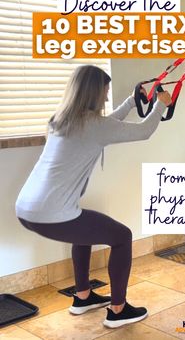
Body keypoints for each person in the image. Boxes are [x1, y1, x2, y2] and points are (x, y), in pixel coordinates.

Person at [15, 65, 172, 328]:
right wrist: (160, 105)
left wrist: (131, 102)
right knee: (122, 237)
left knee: (83, 231)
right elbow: (143, 131)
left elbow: (106, 126)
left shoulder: (61, 120)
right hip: (51, 213)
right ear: (93, 93)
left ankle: (83, 297)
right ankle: (118, 311)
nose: (106, 96)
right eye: (105, 91)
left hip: (26, 209)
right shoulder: (93, 125)